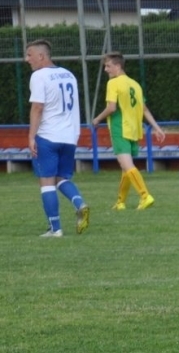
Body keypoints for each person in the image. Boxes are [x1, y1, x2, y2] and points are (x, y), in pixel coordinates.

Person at [25, 40, 90, 237]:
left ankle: (56, 229)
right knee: (62, 178)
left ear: (41, 56)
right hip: (69, 136)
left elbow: (38, 107)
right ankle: (80, 204)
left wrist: (31, 136)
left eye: (29, 55)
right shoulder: (68, 75)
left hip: (48, 135)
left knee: (46, 182)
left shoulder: (39, 76)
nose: (26, 59)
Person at [89, 52, 165, 210]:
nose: (106, 70)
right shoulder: (135, 84)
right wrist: (157, 128)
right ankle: (120, 202)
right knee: (125, 168)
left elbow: (111, 108)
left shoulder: (113, 83)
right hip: (134, 130)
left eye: (108, 66)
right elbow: (144, 110)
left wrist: (97, 119)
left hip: (120, 128)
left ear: (118, 66)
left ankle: (145, 196)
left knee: (127, 165)